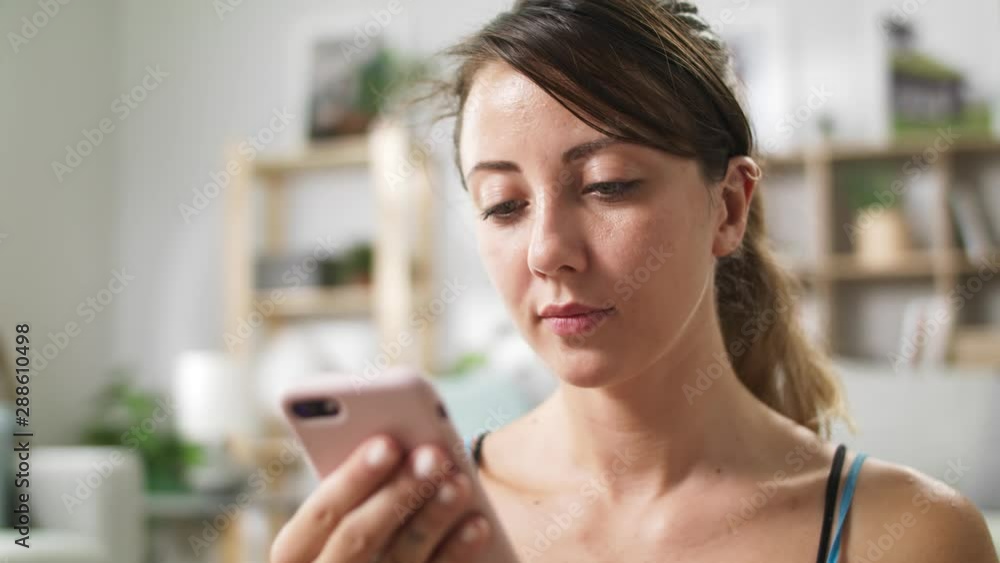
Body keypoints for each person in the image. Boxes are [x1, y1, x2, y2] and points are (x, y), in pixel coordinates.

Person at [270, 1, 999, 561]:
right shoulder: (426, 526)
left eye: (609, 185)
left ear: (729, 206)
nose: (548, 251)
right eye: (505, 205)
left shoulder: (913, 536)